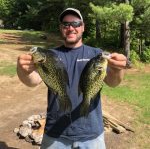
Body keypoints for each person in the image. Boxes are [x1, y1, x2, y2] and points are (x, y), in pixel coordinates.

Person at [17, 8, 127, 149]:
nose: (71, 28)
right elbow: (32, 81)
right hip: (55, 134)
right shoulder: (50, 55)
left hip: (91, 134)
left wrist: (118, 70)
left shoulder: (96, 54)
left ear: (83, 27)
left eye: (75, 23)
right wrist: (23, 70)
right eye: (65, 24)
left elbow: (113, 82)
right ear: (61, 28)